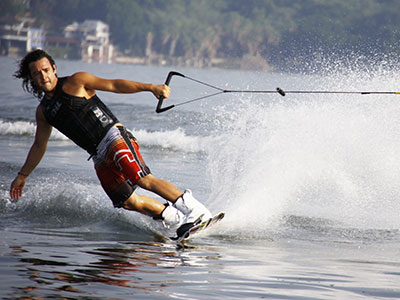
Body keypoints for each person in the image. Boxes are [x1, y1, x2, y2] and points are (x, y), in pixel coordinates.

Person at [9, 49, 211, 237]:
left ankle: (194, 209)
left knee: (142, 178)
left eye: (46, 70)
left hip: (113, 137)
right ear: (31, 79)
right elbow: (39, 145)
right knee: (127, 201)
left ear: (54, 69)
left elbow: (115, 85)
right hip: (98, 155)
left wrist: (150, 88)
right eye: (37, 74)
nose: (43, 76)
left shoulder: (77, 81)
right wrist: (22, 175)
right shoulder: (44, 112)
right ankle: (175, 219)